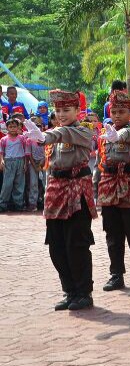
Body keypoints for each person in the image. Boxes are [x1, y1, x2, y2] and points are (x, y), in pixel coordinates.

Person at [24, 90, 98, 311]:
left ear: (77, 110)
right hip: (55, 191)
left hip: (77, 190)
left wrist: (45, 136)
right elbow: (57, 136)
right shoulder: (56, 132)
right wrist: (45, 136)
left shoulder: (84, 131)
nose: (62, 114)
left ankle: (84, 292)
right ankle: (70, 291)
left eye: (67, 109)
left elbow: (62, 134)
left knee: (76, 243)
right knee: (56, 245)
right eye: (58, 110)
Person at [94, 91, 130, 293]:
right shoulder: (105, 133)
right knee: (112, 234)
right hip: (109, 185)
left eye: (121, 111)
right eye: (114, 111)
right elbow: (100, 162)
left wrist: (117, 135)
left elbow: (127, 136)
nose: (117, 115)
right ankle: (116, 274)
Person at [0, 118, 29, 212]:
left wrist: (25, 163)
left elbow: (26, 151)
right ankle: (2, 204)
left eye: (15, 126)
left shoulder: (22, 138)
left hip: (20, 161)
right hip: (8, 161)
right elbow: (1, 152)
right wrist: (2, 161)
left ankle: (19, 204)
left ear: (18, 127)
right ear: (7, 128)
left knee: (19, 183)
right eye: (10, 126)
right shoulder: (4, 139)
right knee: (7, 184)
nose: (13, 128)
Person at [26, 115, 46, 211]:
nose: (37, 128)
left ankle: (46, 202)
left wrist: (41, 164)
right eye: (35, 126)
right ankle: (32, 203)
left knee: (45, 183)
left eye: (39, 126)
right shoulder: (29, 140)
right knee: (33, 183)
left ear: (42, 127)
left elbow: (47, 153)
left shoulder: (45, 138)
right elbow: (29, 154)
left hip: (44, 163)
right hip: (33, 163)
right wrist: (35, 166)